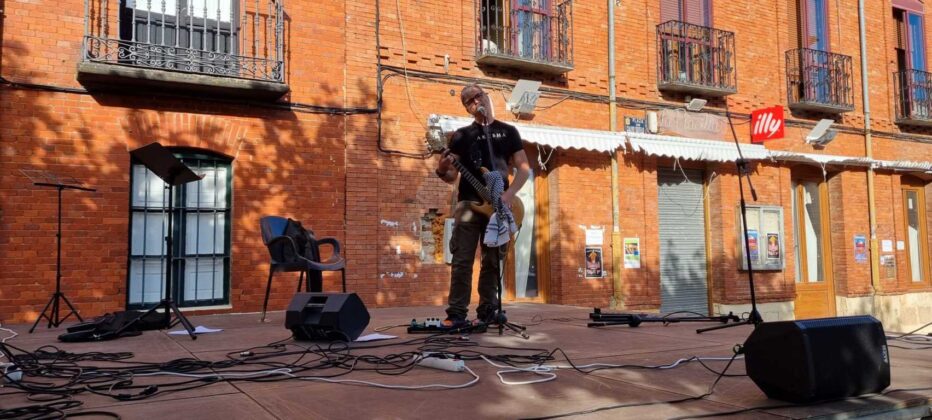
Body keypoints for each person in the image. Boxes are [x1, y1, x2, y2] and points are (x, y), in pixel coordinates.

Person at [435, 84, 531, 327]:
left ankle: (488, 311)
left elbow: (523, 168)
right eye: (469, 100)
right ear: (467, 108)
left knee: (492, 261)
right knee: (462, 260)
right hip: (469, 205)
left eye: (479, 95)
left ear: (487, 97)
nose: (476, 101)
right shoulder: (461, 136)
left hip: (499, 205)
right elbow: (450, 178)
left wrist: (509, 195)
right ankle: (456, 313)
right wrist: (442, 167)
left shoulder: (508, 132)